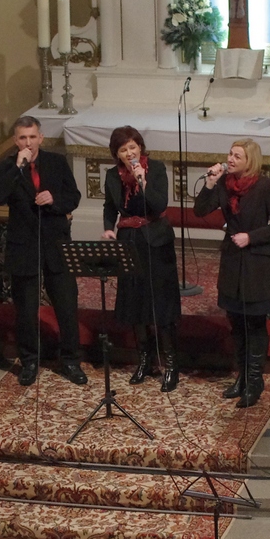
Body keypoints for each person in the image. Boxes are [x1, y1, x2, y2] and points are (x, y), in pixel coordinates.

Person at [0, 116, 86, 387]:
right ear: (15, 141)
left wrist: (54, 200)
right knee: (26, 309)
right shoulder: (6, 167)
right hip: (24, 246)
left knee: (66, 305)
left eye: (32, 137)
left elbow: (74, 197)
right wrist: (17, 168)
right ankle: (30, 361)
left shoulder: (57, 162)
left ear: (41, 138)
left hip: (56, 244)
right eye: (23, 138)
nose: (28, 143)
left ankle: (70, 360)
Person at [193, 138, 270, 407]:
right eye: (230, 154)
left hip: (256, 263)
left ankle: (255, 381)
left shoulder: (264, 186)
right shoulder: (225, 183)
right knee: (236, 322)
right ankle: (242, 377)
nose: (230, 159)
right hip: (233, 262)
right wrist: (210, 183)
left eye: (237, 156)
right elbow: (200, 211)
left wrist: (252, 236)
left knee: (254, 324)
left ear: (250, 161)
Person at [101, 127, 182, 392]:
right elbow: (109, 206)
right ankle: (144, 360)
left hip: (155, 240)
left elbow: (160, 204)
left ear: (140, 147)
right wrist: (109, 228)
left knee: (160, 301)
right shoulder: (112, 175)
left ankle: (171, 364)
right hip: (129, 241)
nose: (129, 153)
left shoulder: (155, 169)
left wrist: (142, 182)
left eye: (133, 147)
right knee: (134, 301)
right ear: (117, 154)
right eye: (123, 150)